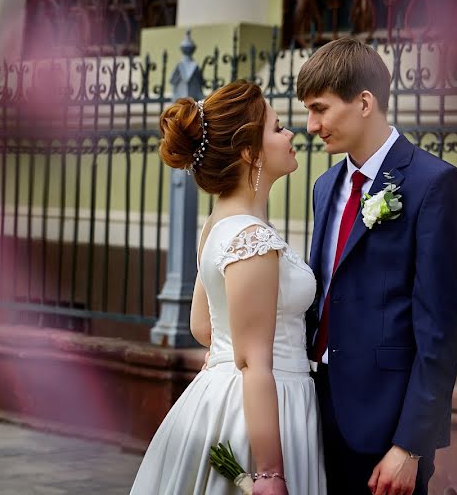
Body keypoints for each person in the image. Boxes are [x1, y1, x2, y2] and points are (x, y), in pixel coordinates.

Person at [130, 79, 326, 495]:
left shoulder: (217, 226)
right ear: (248, 152)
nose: (291, 133)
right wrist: (270, 472)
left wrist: (224, 359)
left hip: (224, 397)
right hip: (264, 406)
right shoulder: (251, 240)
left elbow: (204, 325)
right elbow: (255, 362)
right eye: (277, 128)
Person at [298, 38, 457, 495]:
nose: (311, 124)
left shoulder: (435, 185)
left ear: (363, 102)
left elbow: (441, 330)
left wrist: (411, 446)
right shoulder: (325, 186)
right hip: (317, 407)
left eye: (320, 109)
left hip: (387, 424)